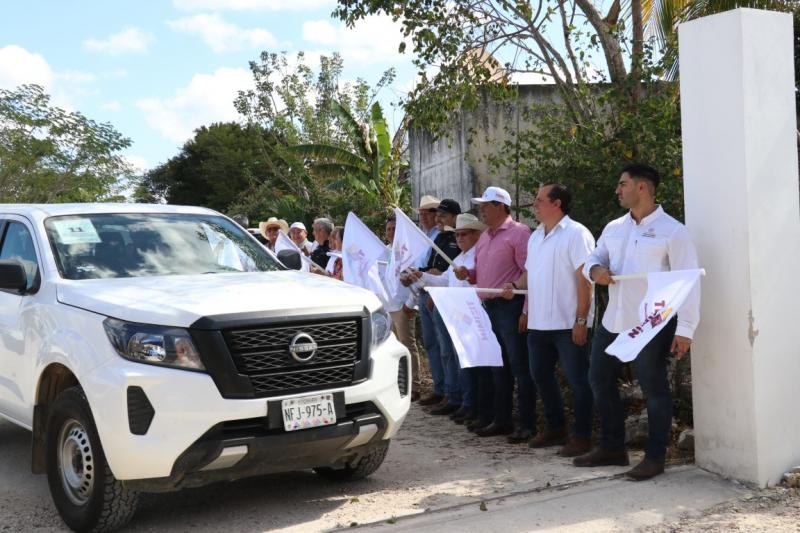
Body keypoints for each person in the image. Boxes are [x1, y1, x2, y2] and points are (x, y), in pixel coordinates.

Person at [574, 163, 700, 481]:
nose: (618, 190)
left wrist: (685, 329)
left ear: (642, 187)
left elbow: (689, 281)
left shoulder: (674, 231)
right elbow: (593, 258)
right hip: (615, 321)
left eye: (622, 183)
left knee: (652, 386)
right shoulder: (614, 227)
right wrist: (595, 271)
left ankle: (656, 457)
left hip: (652, 324)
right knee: (598, 378)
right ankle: (613, 448)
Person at [502, 183, 595, 455]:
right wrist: (514, 286)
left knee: (579, 380)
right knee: (540, 376)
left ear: (557, 204)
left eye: (540, 200)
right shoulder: (535, 236)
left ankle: (582, 436)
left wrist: (581, 320)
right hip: (539, 325)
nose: (535, 205)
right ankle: (555, 428)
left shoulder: (577, 234)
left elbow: (585, 279)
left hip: (568, 324)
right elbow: (528, 276)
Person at [454, 186, 537, 442]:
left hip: (509, 308)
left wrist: (525, 310)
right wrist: (468, 275)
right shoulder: (486, 238)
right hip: (488, 307)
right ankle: (501, 420)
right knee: (497, 367)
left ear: (500, 206)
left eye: (486, 206)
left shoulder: (520, 233)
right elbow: (481, 275)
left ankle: (527, 424)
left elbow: (530, 272)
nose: (482, 211)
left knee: (519, 367)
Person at [412, 213, 486, 423]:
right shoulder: (459, 258)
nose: (459, 238)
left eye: (464, 234)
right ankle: (460, 400)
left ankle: (470, 403)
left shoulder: (477, 256)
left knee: (469, 362)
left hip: (471, 315)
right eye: (457, 235)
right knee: (454, 357)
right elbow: (444, 280)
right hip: (455, 315)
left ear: (477, 235)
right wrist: (423, 276)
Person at [413, 199, 462, 415]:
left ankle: (454, 394)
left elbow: (449, 273)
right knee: (433, 345)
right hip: (427, 293)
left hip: (443, 296)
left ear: (454, 216)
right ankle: (441, 389)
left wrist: (435, 276)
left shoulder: (456, 239)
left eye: (443, 215)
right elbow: (431, 268)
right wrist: (418, 273)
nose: (438, 219)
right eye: (437, 215)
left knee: (448, 349)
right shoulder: (439, 237)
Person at [407, 194, 446, 407]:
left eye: (427, 213)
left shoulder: (441, 237)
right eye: (420, 213)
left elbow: (440, 269)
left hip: (436, 290)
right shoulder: (422, 236)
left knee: (443, 345)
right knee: (431, 343)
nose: (423, 217)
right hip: (423, 290)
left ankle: (448, 390)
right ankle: (440, 388)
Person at [384, 216, 422, 401]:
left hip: (403, 305)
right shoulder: (385, 251)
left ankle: (414, 385)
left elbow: (415, 280)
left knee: (408, 345)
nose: (391, 232)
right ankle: (399, 384)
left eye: (394, 229)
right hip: (388, 305)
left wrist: (411, 303)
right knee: (393, 348)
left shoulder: (408, 251)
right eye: (388, 229)